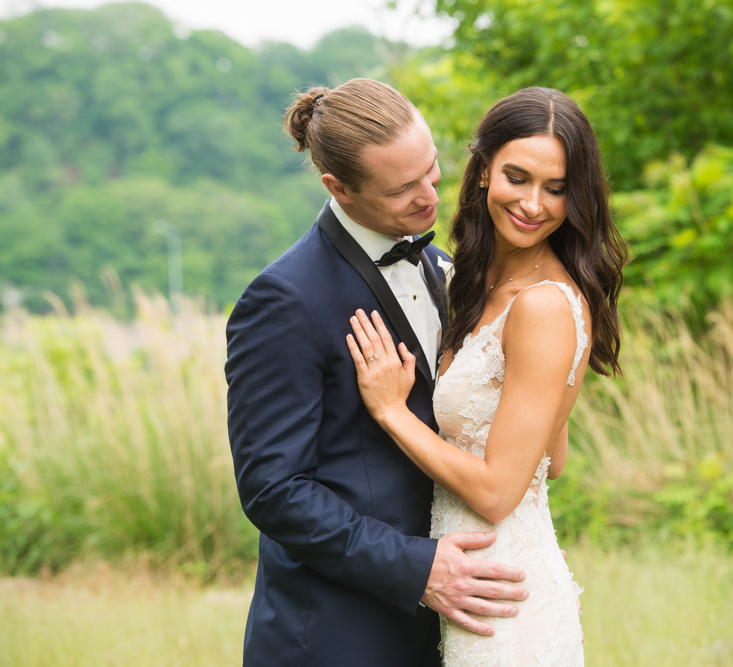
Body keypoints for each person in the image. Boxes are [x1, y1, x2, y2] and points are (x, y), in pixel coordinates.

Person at [225, 78, 529, 667]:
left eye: (432, 170)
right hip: (337, 637)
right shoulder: (284, 299)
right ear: (337, 188)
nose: (429, 198)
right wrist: (417, 568)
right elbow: (273, 489)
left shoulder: (442, 266)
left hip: (444, 631)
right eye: (402, 189)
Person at [346, 87, 628, 666]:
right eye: (517, 178)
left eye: (557, 189)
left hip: (504, 606)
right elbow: (553, 459)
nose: (533, 204)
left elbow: (501, 492)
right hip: (472, 586)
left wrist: (392, 412)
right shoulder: (476, 284)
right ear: (482, 172)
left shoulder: (544, 306)